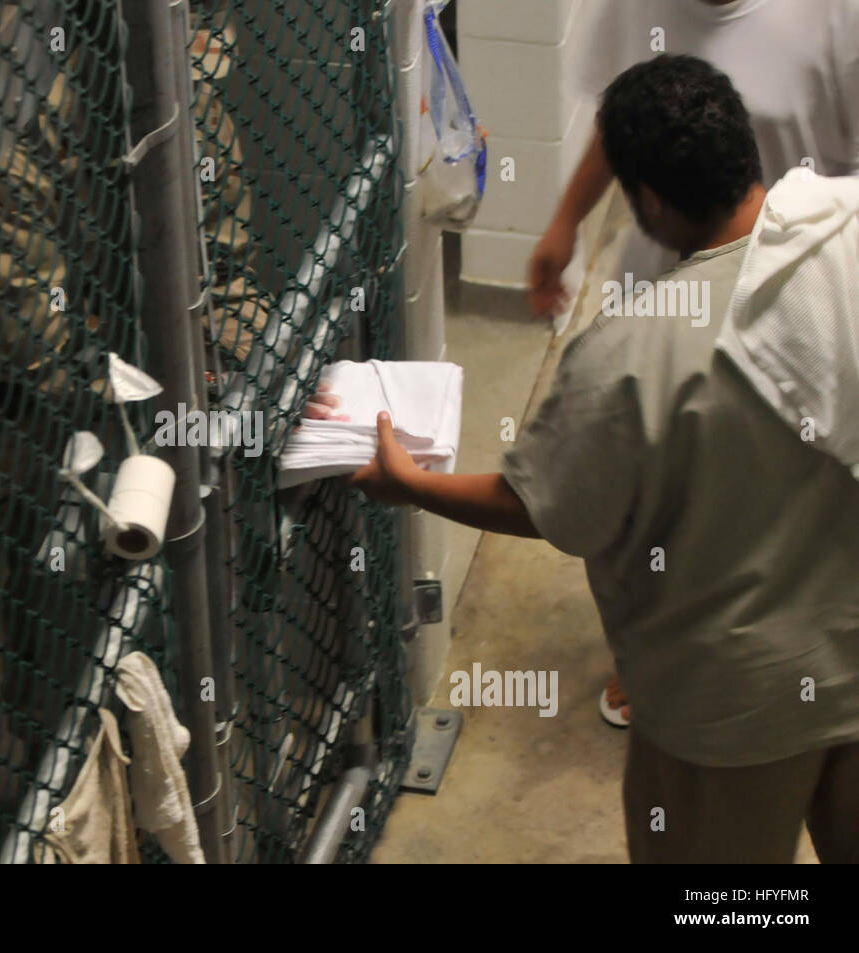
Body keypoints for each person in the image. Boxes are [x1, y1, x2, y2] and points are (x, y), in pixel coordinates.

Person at [313, 54, 859, 862]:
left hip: (731, 713)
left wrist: (412, 484)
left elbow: (542, 506)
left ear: (650, 202)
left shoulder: (631, 352)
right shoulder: (842, 238)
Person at [526, 0, 859, 725]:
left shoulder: (835, 15)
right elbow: (624, 122)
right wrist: (564, 221)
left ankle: (791, 660)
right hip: (665, 283)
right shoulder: (632, 7)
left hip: (786, 298)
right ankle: (650, 651)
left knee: (771, 497)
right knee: (653, 491)